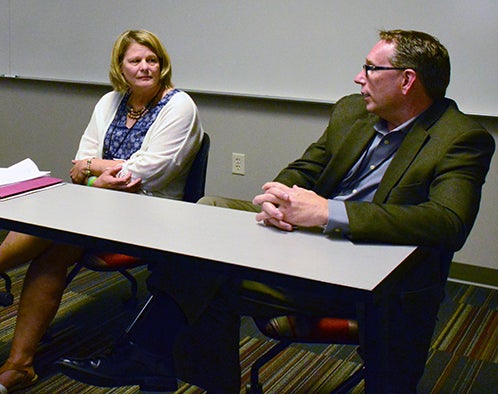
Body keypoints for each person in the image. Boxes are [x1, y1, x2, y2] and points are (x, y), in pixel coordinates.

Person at [56, 30, 496, 392]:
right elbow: (308, 166)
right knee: (208, 217)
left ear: (406, 80)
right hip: (305, 241)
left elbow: (448, 222)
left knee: (205, 276)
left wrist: (328, 213)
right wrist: (280, 193)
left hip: (368, 270)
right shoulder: (352, 112)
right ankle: (152, 358)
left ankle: (149, 357)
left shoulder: (460, 138)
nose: (358, 78)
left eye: (369, 68)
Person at [0, 29, 203, 393]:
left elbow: (143, 173)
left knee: (57, 221)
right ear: (120, 66)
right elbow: (77, 165)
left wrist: (93, 170)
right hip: (97, 207)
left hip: (153, 218)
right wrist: (95, 178)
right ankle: (18, 364)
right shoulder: (110, 102)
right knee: (55, 248)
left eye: (152, 60)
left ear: (162, 64)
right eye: (135, 60)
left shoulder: (180, 106)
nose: (145, 67)